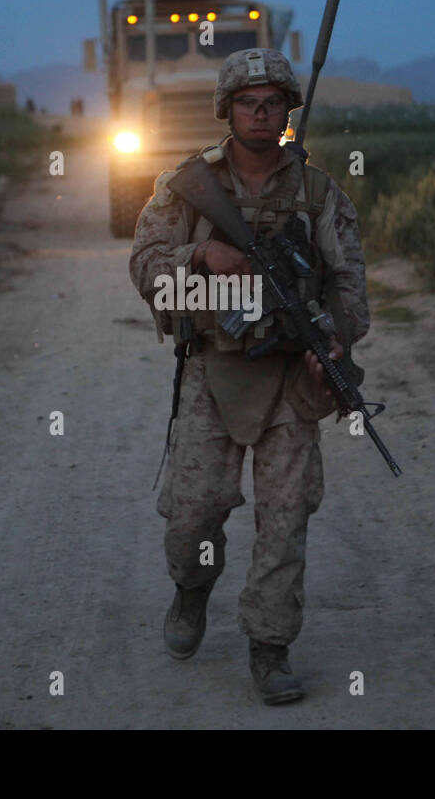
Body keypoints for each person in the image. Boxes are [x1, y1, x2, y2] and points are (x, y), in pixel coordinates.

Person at [128, 48, 370, 705]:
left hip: (292, 379)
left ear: (289, 110)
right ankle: (191, 591)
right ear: (227, 110)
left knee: (286, 518)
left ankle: (270, 647)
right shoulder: (186, 187)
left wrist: (335, 343)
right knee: (193, 517)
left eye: (272, 103)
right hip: (213, 371)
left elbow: (350, 287)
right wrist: (201, 254)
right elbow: (147, 270)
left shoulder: (319, 194)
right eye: (247, 103)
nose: (261, 115)